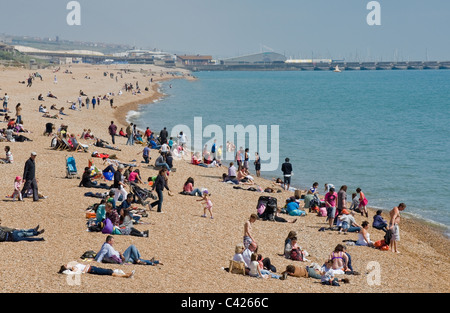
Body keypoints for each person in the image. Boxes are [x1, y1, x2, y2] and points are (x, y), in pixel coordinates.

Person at [95, 235, 161, 265]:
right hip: (121, 258)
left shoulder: (106, 245)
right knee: (132, 246)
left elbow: (100, 252)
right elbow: (102, 253)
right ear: (109, 241)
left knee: (133, 260)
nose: (113, 242)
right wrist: (98, 261)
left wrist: (95, 257)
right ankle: (138, 259)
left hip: (120, 257)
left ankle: (152, 262)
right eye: (112, 241)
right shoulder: (106, 246)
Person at [58, 263, 135, 278]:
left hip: (92, 268)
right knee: (109, 272)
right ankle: (125, 275)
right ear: (66, 267)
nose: (67, 264)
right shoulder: (73, 268)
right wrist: (86, 267)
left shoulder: (74, 267)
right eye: (66, 265)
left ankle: (127, 274)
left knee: (108, 271)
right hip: (92, 269)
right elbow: (81, 271)